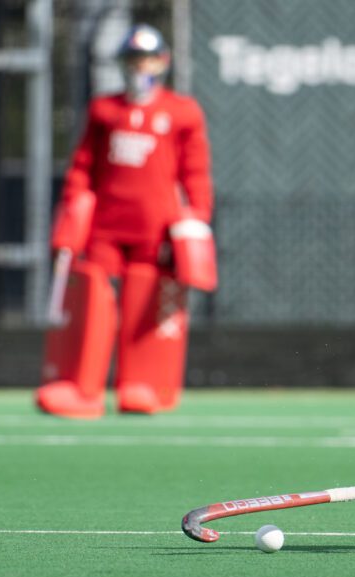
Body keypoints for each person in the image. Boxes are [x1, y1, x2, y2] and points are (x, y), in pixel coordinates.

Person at [36, 24, 216, 418]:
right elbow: (82, 167)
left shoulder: (181, 112)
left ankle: (142, 383)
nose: (141, 68)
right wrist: (73, 207)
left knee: (145, 301)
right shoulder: (105, 110)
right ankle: (83, 388)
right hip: (106, 226)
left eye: (148, 59)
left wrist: (196, 219)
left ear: (163, 62)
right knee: (93, 298)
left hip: (155, 228)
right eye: (133, 60)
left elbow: (195, 172)